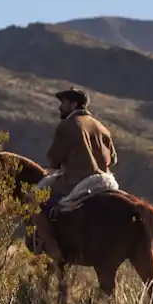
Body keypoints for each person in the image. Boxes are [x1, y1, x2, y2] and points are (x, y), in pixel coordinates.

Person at [34, 87, 118, 262]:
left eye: (63, 103)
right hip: (105, 181)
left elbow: (53, 160)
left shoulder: (68, 125)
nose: (60, 108)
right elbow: (113, 160)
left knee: (34, 199)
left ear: (73, 105)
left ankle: (52, 249)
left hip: (77, 181)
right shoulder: (102, 127)